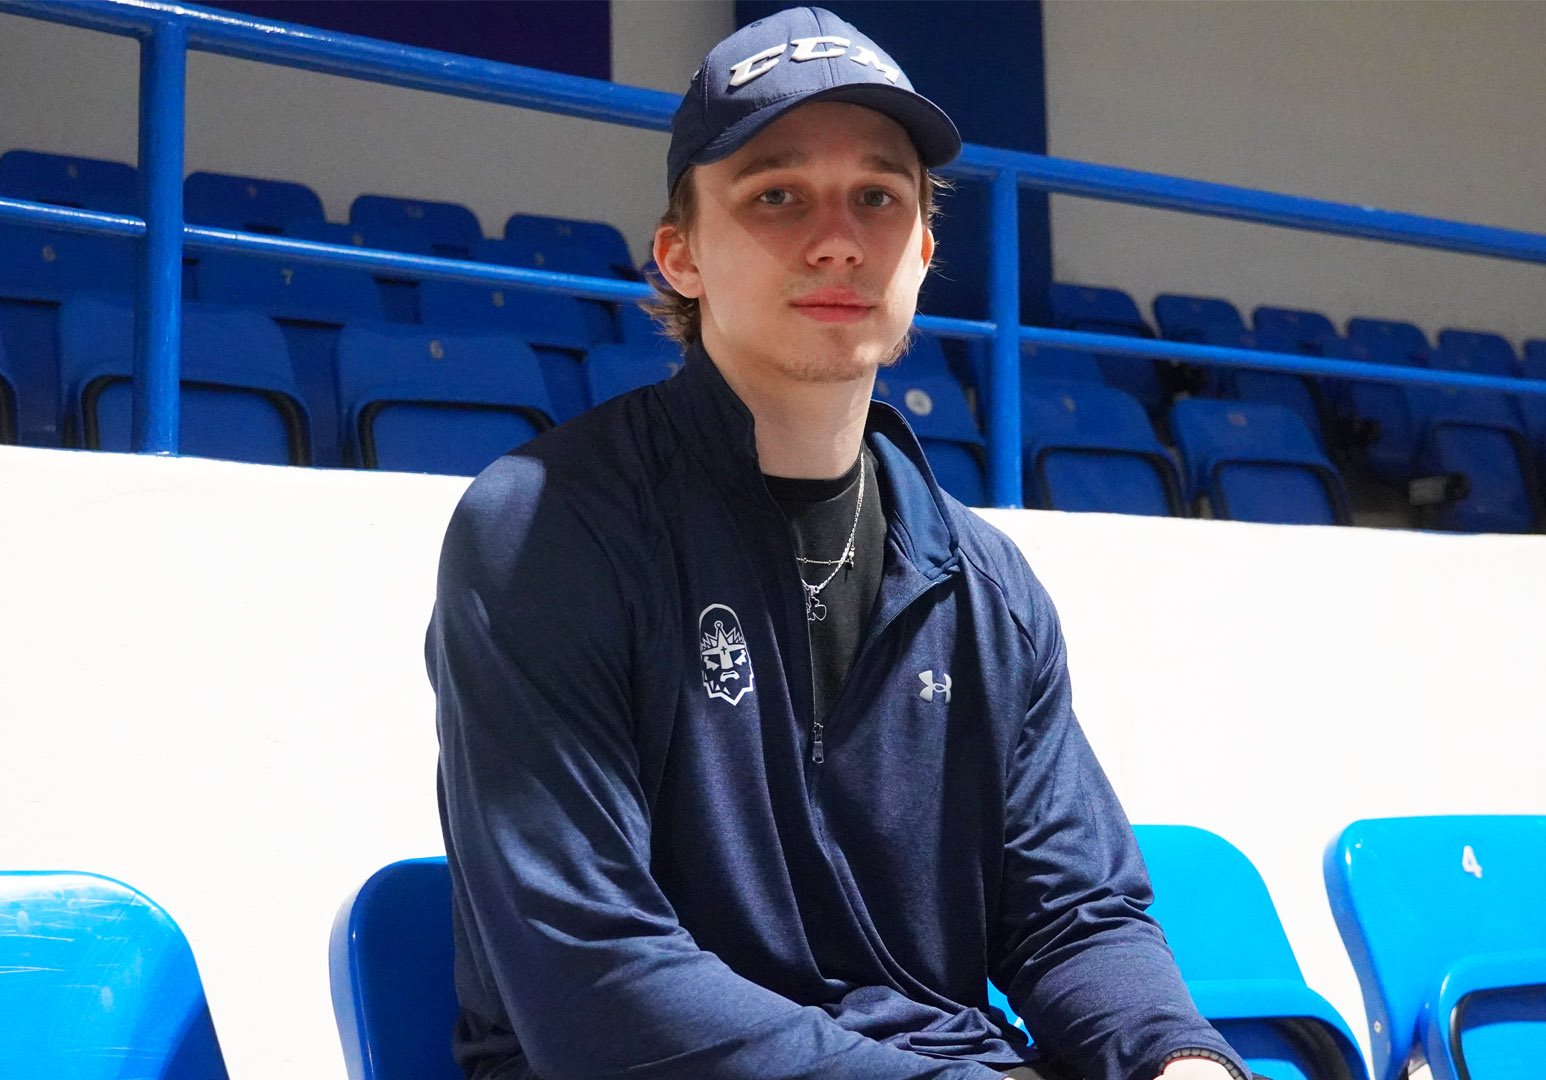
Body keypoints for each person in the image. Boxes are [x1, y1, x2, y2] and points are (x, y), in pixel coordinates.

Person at [428, 8, 1249, 1079]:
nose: (838, 240)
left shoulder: (982, 584)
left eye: (878, 197)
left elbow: (1073, 914)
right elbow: (592, 979)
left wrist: (1178, 1061)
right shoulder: (546, 526)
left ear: (924, 251)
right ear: (679, 255)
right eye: (776, 195)